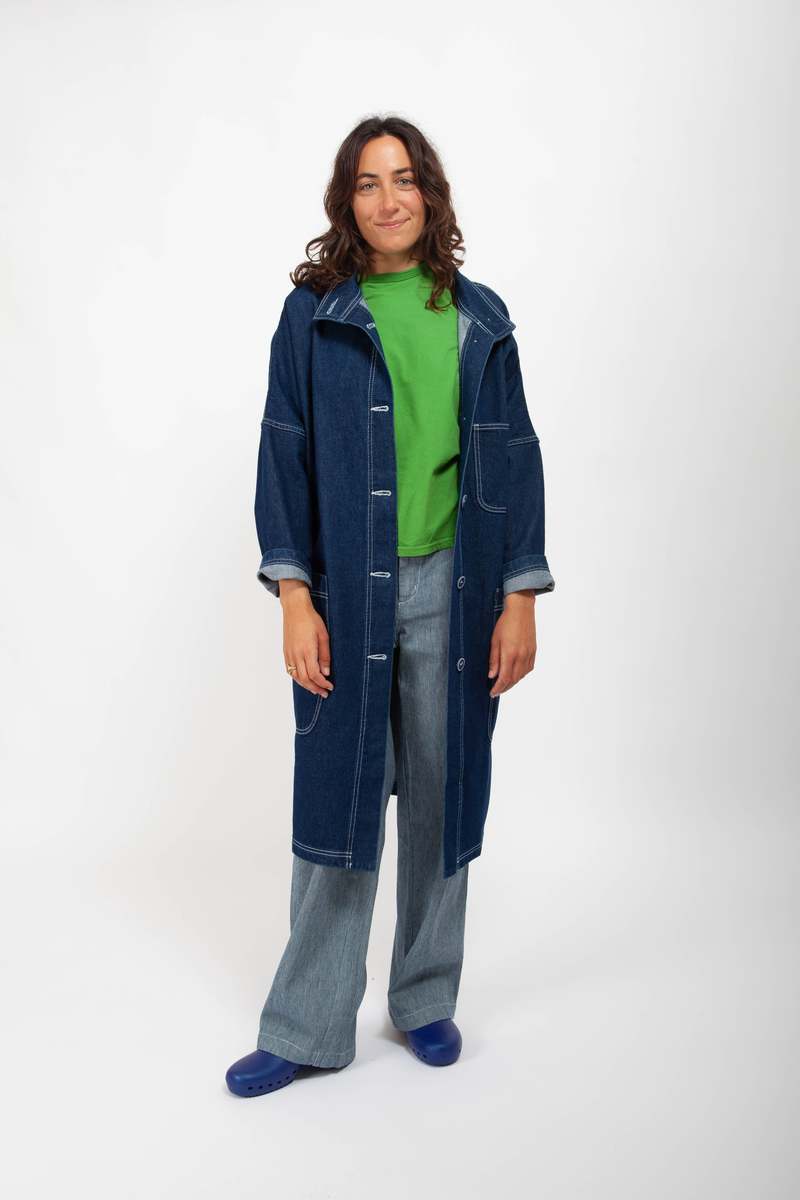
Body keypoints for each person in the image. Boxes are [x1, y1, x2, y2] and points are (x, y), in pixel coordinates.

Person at [226, 115, 555, 1097]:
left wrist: (519, 595)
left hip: (459, 587)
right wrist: (294, 597)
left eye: (403, 178)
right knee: (339, 803)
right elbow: (283, 450)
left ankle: (423, 1000)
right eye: (367, 183)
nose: (388, 198)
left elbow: (517, 457)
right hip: (347, 594)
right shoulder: (314, 316)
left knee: (445, 801)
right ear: (347, 202)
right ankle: (307, 1025)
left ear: (429, 193)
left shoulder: (480, 317)